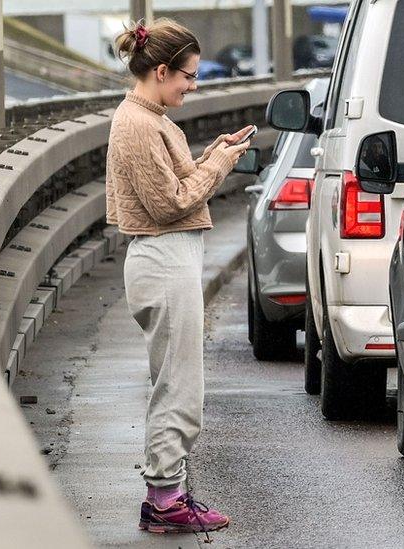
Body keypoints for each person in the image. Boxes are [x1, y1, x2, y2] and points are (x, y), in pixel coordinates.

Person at [106, 18, 252, 534]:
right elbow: (168, 204)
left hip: (169, 260)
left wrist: (215, 153)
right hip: (163, 259)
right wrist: (220, 169)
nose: (193, 85)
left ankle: (168, 493)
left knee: (178, 380)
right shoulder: (140, 125)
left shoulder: (153, 118)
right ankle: (165, 501)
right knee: (178, 385)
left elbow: (177, 179)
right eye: (188, 76)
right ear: (162, 70)